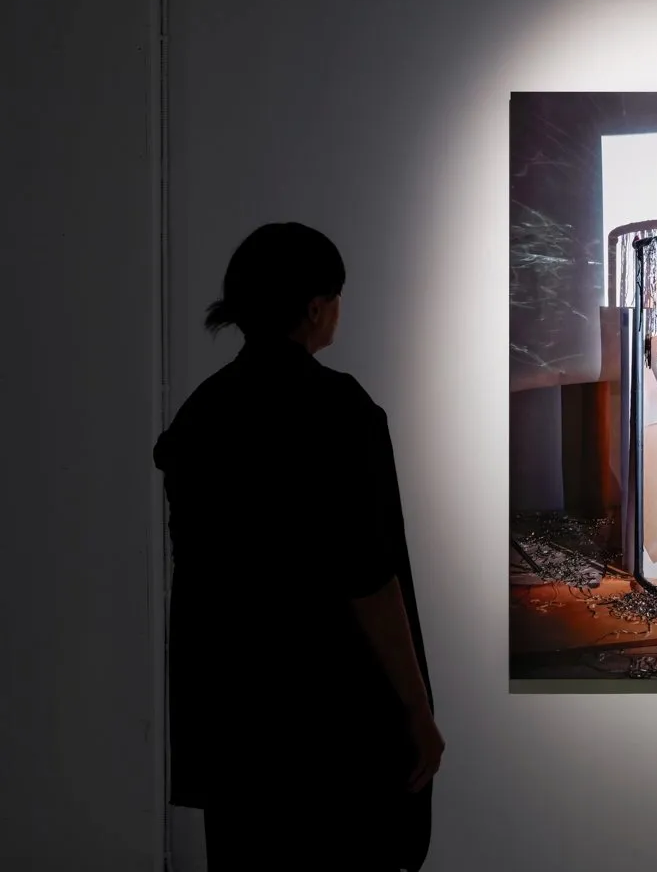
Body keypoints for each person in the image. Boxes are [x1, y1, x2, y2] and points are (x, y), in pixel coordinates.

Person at [153, 222, 444, 870]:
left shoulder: (201, 416)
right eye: (336, 296)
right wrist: (416, 707)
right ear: (315, 308)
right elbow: (369, 579)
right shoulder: (339, 412)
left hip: (233, 720)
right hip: (328, 722)